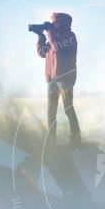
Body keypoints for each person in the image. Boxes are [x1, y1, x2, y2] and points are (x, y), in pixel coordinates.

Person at [36, 12, 81, 148]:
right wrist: (40, 37)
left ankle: (76, 140)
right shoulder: (53, 39)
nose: (52, 26)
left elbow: (56, 47)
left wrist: (49, 32)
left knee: (68, 108)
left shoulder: (70, 37)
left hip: (65, 78)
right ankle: (51, 144)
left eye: (54, 23)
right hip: (52, 79)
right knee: (51, 112)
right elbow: (43, 52)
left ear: (62, 24)